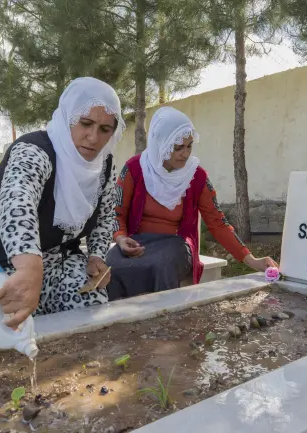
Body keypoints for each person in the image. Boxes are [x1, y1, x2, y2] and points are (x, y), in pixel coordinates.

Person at [0, 77, 124, 333]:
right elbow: (17, 203)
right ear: (67, 118)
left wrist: (97, 255)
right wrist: (29, 268)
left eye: (105, 129)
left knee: (90, 305)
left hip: (55, 260)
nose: (94, 137)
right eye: (85, 123)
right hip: (1, 262)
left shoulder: (104, 165)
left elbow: (105, 215)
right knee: (6, 335)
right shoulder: (34, 150)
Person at [106, 106, 279, 300]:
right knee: (111, 263)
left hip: (176, 246)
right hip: (136, 243)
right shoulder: (134, 169)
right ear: (160, 143)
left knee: (162, 265)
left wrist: (252, 260)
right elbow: (116, 212)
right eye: (178, 147)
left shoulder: (196, 177)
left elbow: (217, 222)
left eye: (189, 146)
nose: (185, 154)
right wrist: (121, 238)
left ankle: (163, 321)